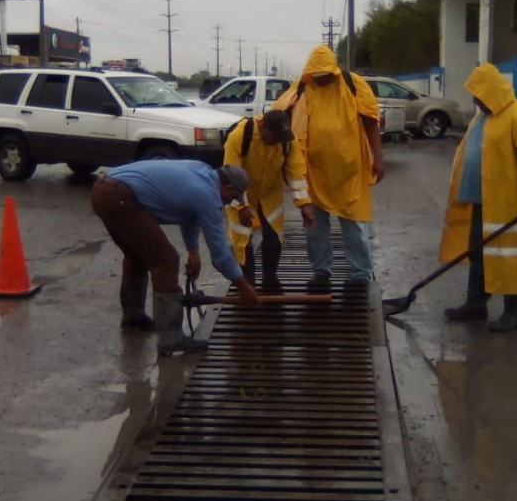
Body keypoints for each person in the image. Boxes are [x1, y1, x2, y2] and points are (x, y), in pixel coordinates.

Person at [90, 160, 261, 354]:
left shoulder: (202, 173)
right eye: (233, 196)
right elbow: (220, 253)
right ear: (227, 186)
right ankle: (171, 338)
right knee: (166, 261)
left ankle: (133, 317)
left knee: (137, 255)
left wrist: (193, 251)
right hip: (120, 197)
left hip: (103, 190)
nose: (232, 202)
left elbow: (188, 214)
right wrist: (243, 287)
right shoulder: (207, 195)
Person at [441, 63, 517, 332]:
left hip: (508, 205)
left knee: (511, 257)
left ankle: (514, 313)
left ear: (491, 92)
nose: (474, 99)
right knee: (479, 254)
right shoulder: (483, 117)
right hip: (481, 202)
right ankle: (475, 304)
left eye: (478, 94)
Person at [271, 46, 384, 285]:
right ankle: (321, 271)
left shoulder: (352, 84)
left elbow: (371, 120)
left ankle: (361, 273)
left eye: (325, 74)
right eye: (317, 75)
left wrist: (379, 158)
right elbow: (278, 112)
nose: (321, 79)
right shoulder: (303, 87)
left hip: (350, 170)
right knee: (315, 226)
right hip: (313, 172)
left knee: (355, 225)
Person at [223, 109, 316, 291]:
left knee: (273, 237)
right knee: (242, 237)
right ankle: (247, 280)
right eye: (274, 137)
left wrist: (304, 204)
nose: (277, 142)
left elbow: (295, 173)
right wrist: (240, 207)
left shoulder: (287, 141)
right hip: (241, 191)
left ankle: (270, 277)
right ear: (263, 127)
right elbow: (230, 175)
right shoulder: (241, 135)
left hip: (269, 194)